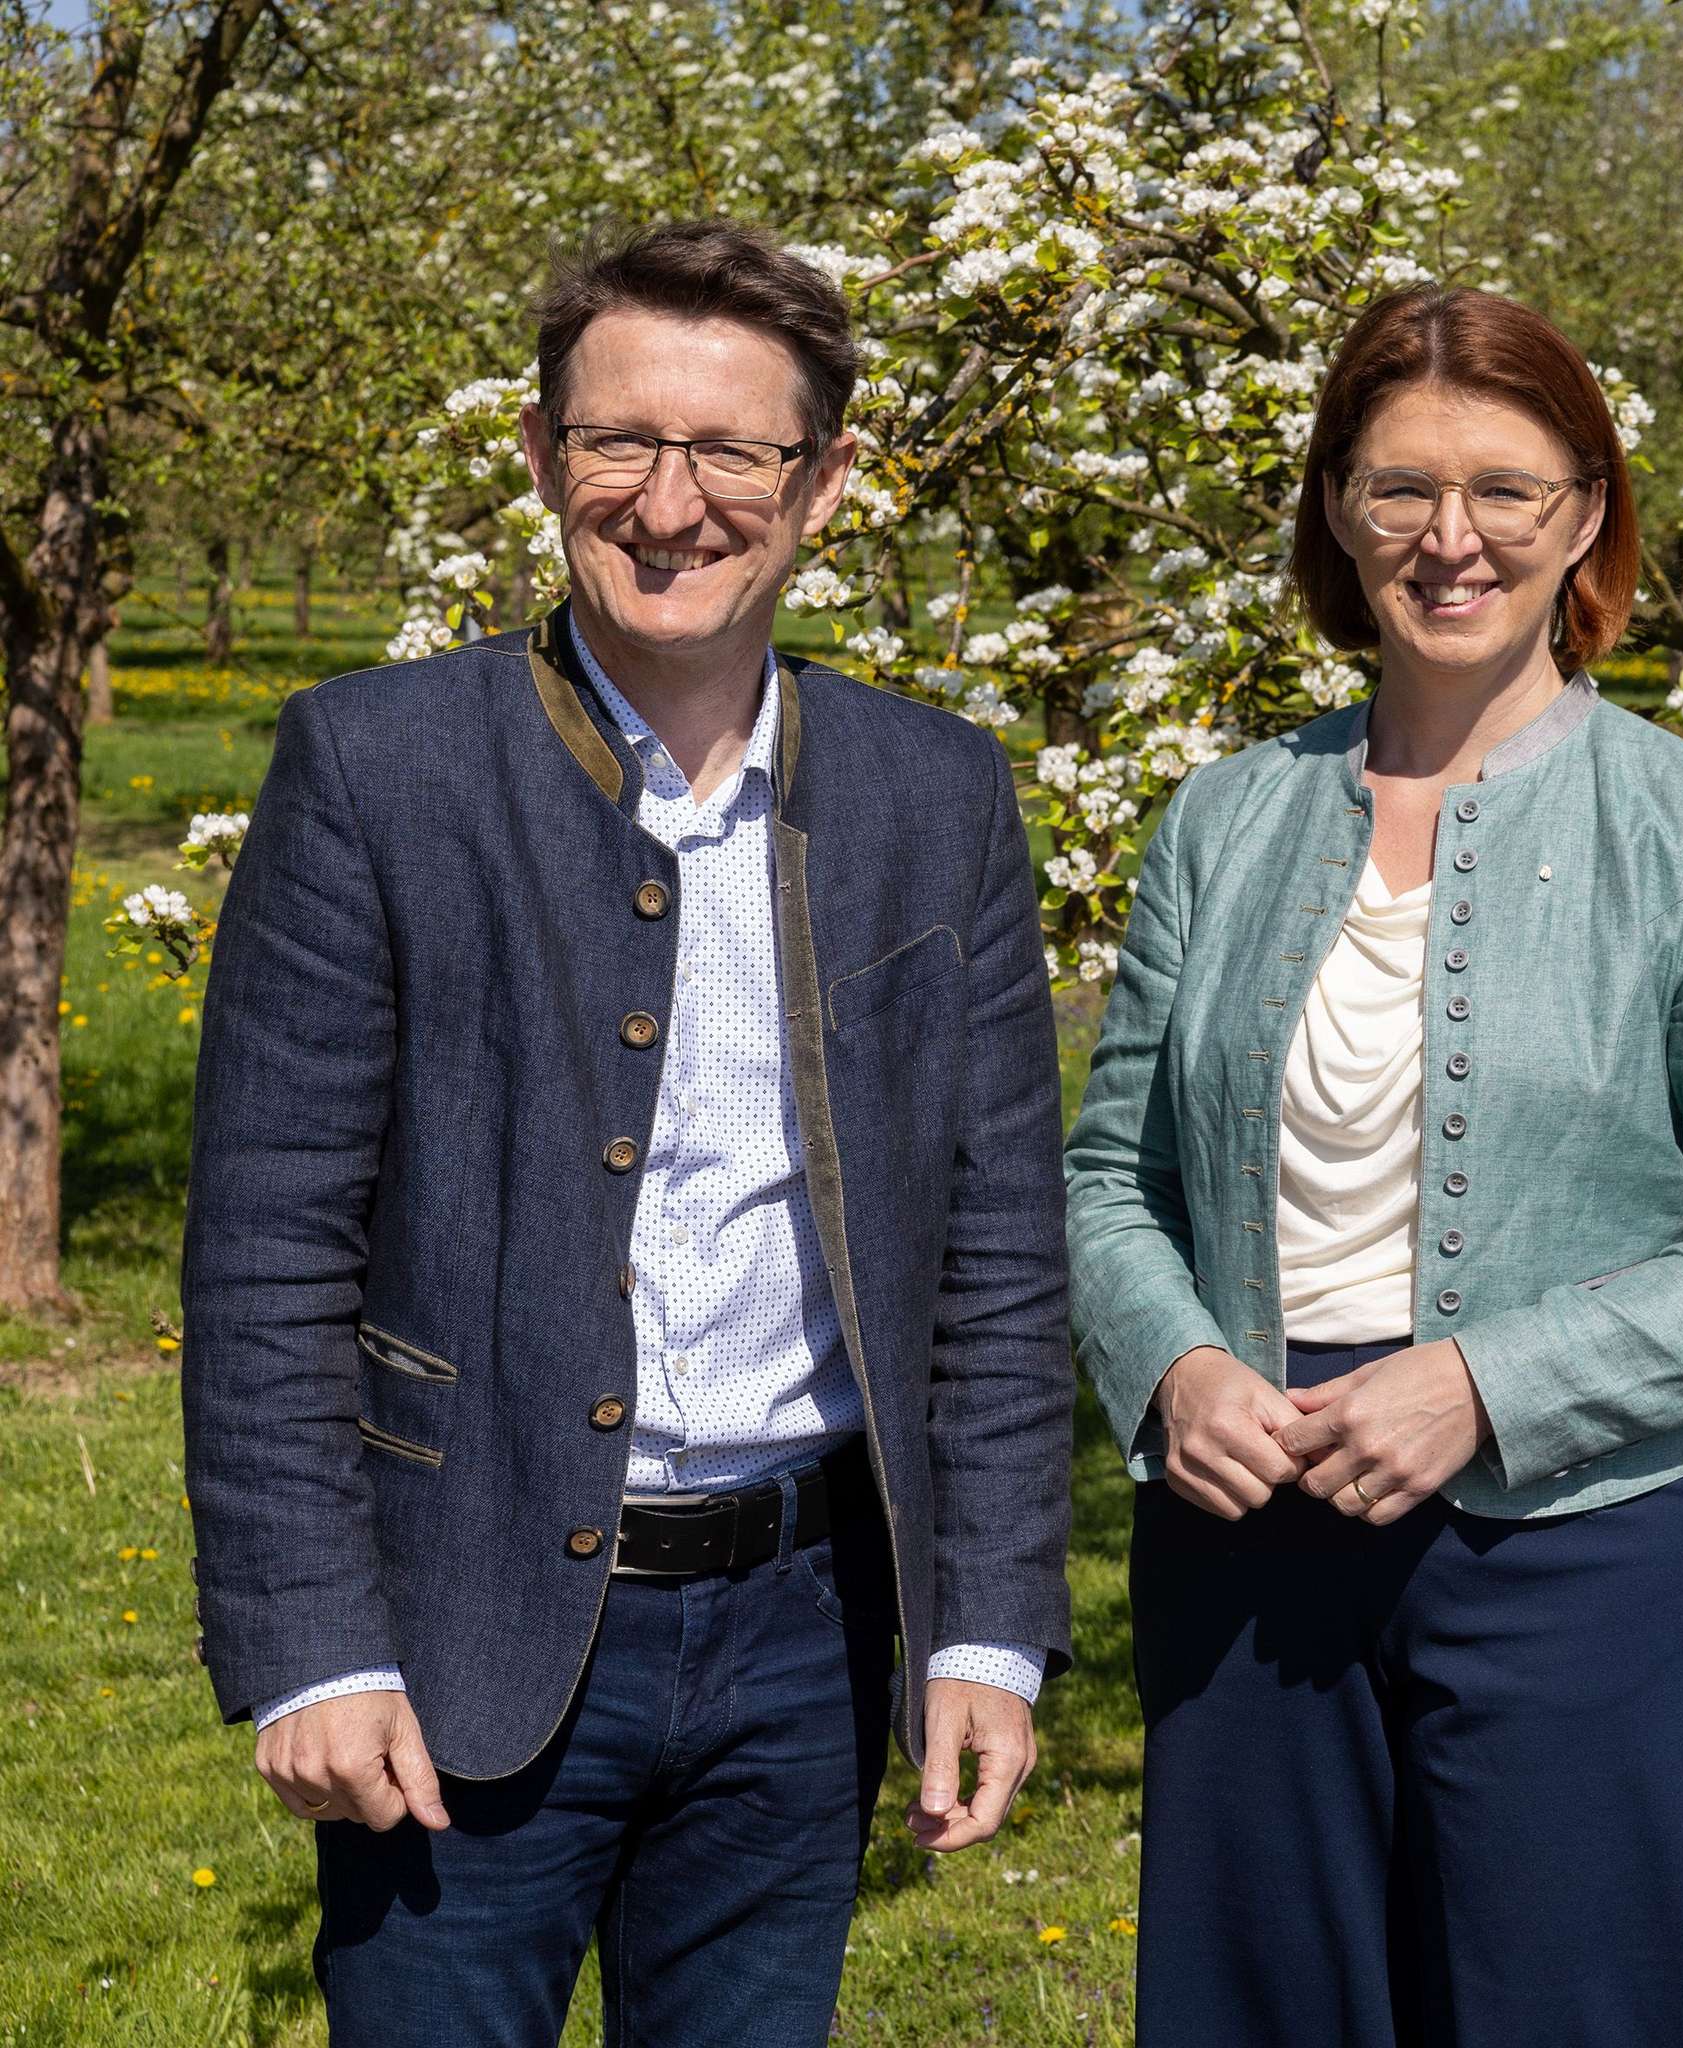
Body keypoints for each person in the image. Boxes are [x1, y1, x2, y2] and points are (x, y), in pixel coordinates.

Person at [181, 220, 1074, 2047]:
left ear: (819, 482)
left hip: (802, 1641)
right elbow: (268, 1244)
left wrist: (985, 1628)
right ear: (542, 458)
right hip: (460, 1634)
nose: (672, 505)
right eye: (620, 444)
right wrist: (310, 1644)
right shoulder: (374, 767)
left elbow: (993, 1255)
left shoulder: (936, 792)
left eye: (732, 451)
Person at [1065, 284, 1683, 2047]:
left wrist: (1486, 1387)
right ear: (1336, 514)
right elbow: (1106, 1176)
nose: (1452, 540)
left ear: (1584, 513)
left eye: (1505, 490)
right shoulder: (1224, 816)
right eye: (1398, 487)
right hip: (1243, 1521)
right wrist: (1174, 1365)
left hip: (1571, 1540)